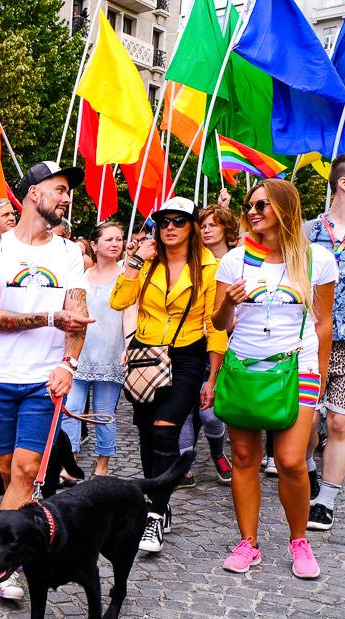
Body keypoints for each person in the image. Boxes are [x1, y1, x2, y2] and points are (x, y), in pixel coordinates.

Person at [0, 161, 91, 601]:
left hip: (44, 382)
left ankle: (1, 566)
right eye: (58, 189)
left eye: (67, 191)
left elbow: (77, 318)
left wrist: (68, 366)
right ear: (33, 193)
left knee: (24, 470)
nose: (66, 197)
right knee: (5, 470)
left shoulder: (69, 253)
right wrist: (47, 317)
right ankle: (19, 529)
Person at [214, 179, 335, 578]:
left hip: (298, 367)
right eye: (250, 205)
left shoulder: (316, 258)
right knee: (246, 458)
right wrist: (228, 305)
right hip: (245, 367)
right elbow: (218, 323)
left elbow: (323, 323)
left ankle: (299, 541)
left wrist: (322, 375)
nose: (252, 211)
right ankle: (248, 542)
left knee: (291, 461)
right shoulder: (234, 260)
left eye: (262, 205)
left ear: (285, 208)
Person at [111, 197, 226, 554]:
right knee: (147, 434)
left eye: (179, 221)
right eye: (164, 222)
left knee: (166, 431)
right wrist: (134, 261)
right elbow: (118, 301)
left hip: (187, 357)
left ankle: (154, 514)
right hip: (145, 355)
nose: (170, 227)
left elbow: (215, 325)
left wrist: (212, 376)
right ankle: (158, 502)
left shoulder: (209, 267)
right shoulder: (148, 263)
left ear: (192, 226)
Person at [304, 151, 345, 532]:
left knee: (342, 421)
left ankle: (325, 501)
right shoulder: (307, 230)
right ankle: (310, 468)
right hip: (310, 339)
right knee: (307, 419)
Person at [179, 204, 242, 487]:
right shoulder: (190, 261)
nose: (206, 229)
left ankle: (217, 452)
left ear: (226, 230)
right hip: (192, 343)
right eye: (202, 225)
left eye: (213, 225)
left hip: (229, 347)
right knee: (185, 406)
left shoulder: (239, 262)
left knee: (211, 412)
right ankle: (184, 462)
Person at [61, 223, 131, 477]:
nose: (115, 243)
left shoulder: (126, 276)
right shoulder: (80, 277)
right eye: (109, 239)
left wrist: (128, 345)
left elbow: (129, 314)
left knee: (104, 413)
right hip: (81, 354)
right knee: (72, 410)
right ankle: (71, 463)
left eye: (119, 239)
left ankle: (103, 465)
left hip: (111, 353)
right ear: (94, 244)